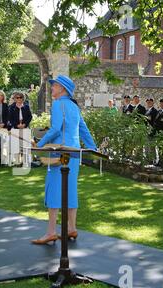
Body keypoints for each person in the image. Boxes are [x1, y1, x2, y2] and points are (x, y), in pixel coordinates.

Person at [32, 75, 97, 245]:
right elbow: (84, 129)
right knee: (70, 190)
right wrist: (93, 148)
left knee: (53, 189)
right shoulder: (74, 107)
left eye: (54, 86)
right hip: (74, 154)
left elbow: (55, 129)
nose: (52, 88)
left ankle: (51, 232)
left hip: (60, 152)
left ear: (62, 88)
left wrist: (40, 143)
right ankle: (71, 229)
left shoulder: (58, 104)